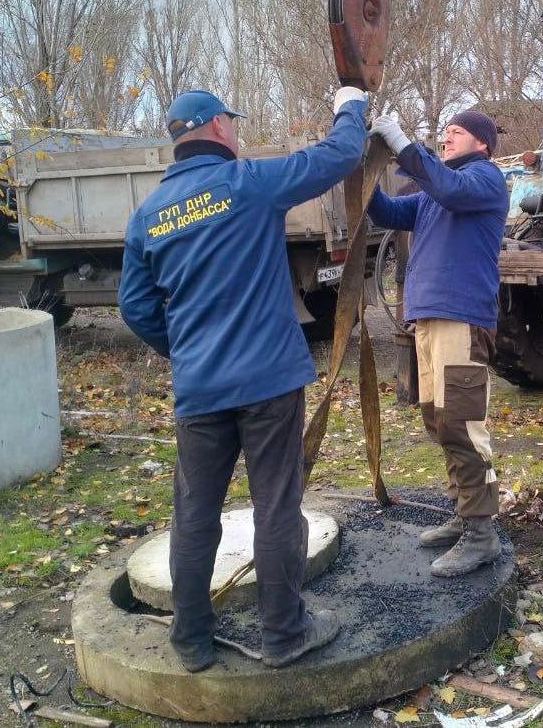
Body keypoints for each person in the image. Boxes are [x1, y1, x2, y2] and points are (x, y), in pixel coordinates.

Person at [118, 86, 368, 672]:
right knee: (276, 506)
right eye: (232, 121)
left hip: (200, 390)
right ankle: (284, 635)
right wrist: (351, 106)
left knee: (194, 513)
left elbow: (135, 306)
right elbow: (337, 156)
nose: (236, 130)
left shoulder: (149, 214)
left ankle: (190, 641)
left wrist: (185, 352)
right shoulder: (249, 183)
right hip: (268, 383)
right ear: (217, 128)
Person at [368, 111, 508, 577]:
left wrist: (403, 143)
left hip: (461, 318)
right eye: (444, 132)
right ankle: (465, 513)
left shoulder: (485, 180)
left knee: (462, 424)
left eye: (457, 132)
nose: (446, 137)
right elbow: (386, 213)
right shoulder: (433, 194)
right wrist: (361, 171)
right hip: (428, 319)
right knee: (439, 421)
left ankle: (482, 535)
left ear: (483, 144)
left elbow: (448, 188)